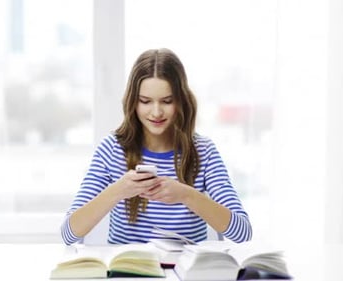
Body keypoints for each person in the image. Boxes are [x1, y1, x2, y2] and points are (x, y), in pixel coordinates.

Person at [61, 48, 252, 245]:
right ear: (133, 103)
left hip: (184, 273)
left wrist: (186, 194)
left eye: (167, 101)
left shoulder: (203, 152)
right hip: (130, 272)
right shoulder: (112, 149)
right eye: (145, 101)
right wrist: (119, 190)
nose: (156, 112)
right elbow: (69, 233)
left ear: (181, 101)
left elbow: (242, 232)